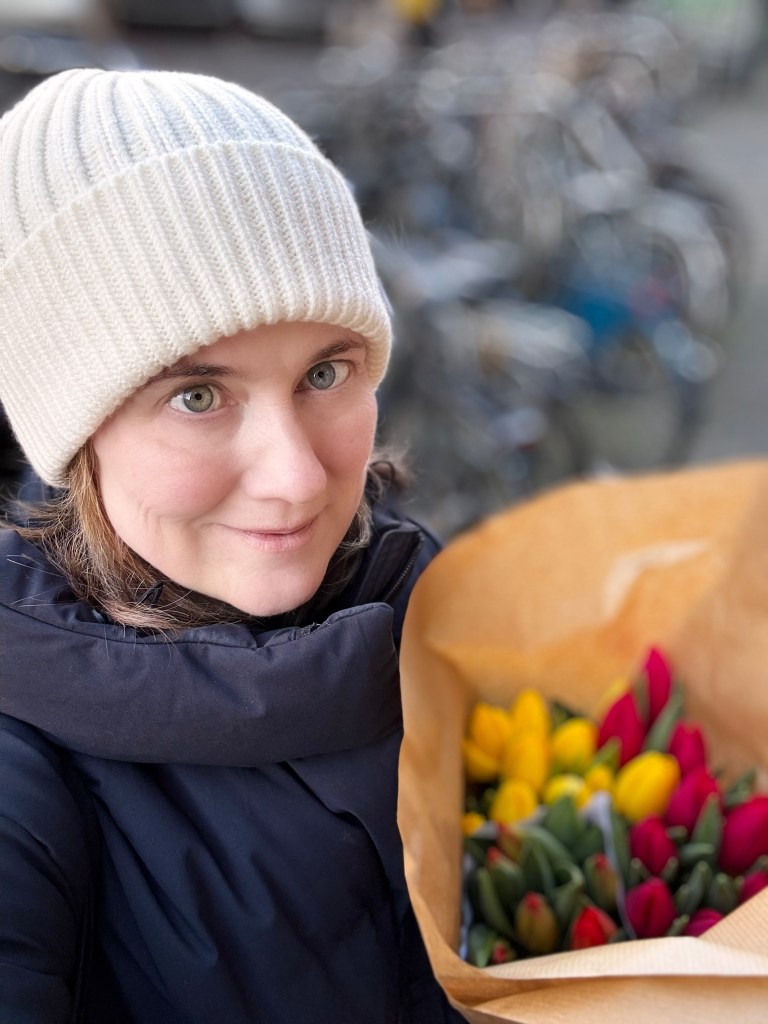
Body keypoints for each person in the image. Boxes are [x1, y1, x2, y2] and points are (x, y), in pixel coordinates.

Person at [0, 68, 463, 1023]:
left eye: (326, 372)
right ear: (74, 429)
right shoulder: (22, 783)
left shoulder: (446, 616)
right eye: (197, 395)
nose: (295, 476)